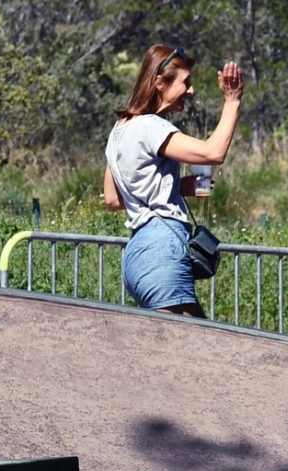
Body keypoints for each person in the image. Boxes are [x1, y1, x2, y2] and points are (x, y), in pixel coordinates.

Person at [103, 44, 242, 317]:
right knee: (185, 341)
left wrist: (177, 187)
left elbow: (113, 199)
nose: (191, 91)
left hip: (138, 256)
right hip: (162, 251)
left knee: (193, 339)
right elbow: (213, 152)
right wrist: (232, 101)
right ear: (159, 83)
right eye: (185, 83)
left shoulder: (119, 131)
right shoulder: (151, 126)